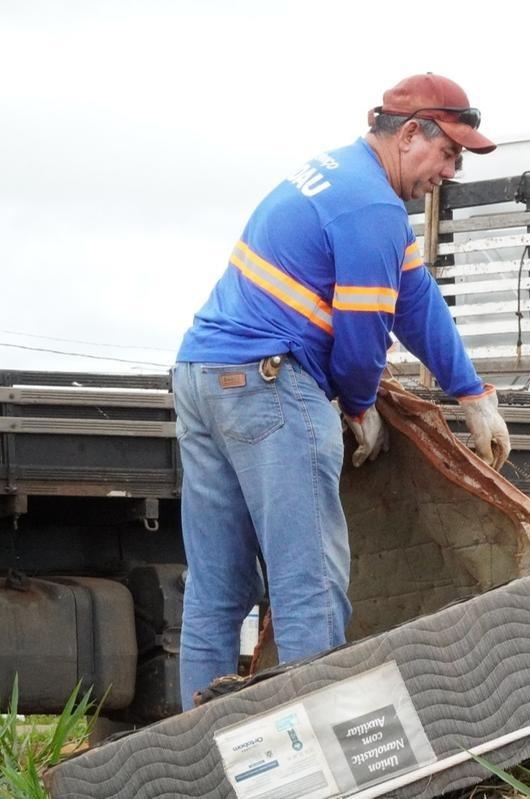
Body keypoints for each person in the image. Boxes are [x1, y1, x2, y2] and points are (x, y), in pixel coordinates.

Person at [172, 73, 510, 709]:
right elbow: (362, 340)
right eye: (450, 152)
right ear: (411, 134)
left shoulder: (341, 176)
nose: (452, 169)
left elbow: (415, 298)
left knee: (216, 589)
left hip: (202, 375)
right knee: (310, 585)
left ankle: (203, 758)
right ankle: (318, 765)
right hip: (267, 386)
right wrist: (358, 405)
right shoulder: (372, 209)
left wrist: (470, 391)